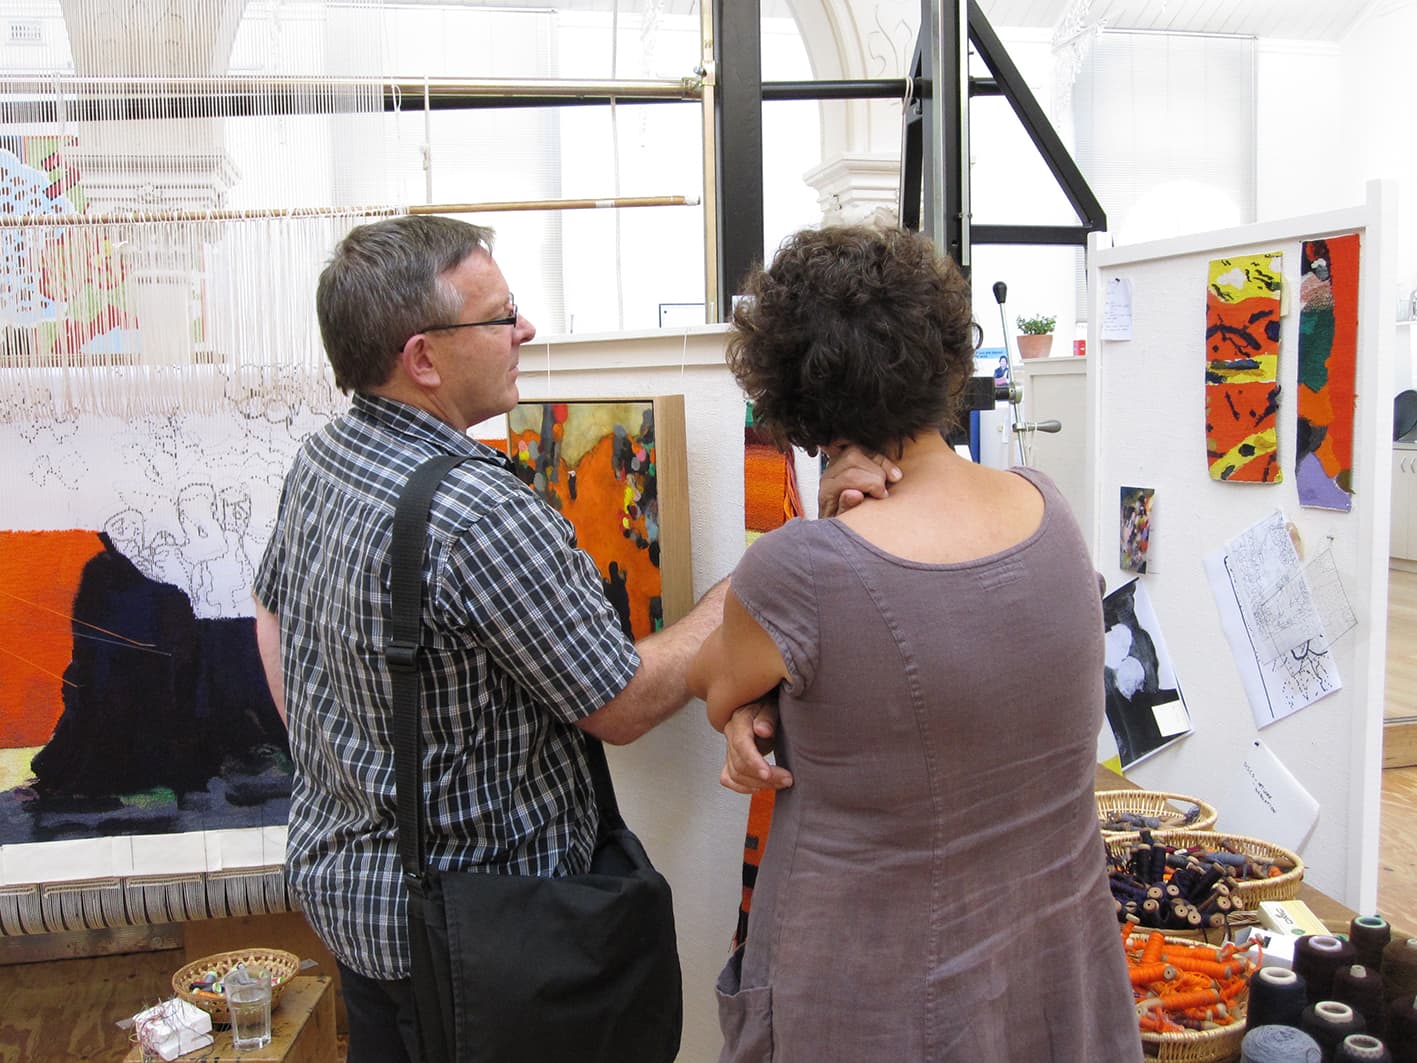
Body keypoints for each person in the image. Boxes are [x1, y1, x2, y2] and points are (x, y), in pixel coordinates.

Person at [251, 214, 756, 1062]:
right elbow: (622, 703)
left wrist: (350, 760)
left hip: (357, 909)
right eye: (501, 315)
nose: (524, 330)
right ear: (423, 358)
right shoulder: (480, 512)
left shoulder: (324, 457)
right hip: (478, 948)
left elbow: (269, 616)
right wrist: (746, 586)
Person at [688, 224, 1142, 1061]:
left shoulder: (803, 567)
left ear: (794, 393)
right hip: (1052, 964)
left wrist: (822, 541)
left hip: (878, 991)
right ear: (939, 354)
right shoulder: (1046, 507)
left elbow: (719, 682)